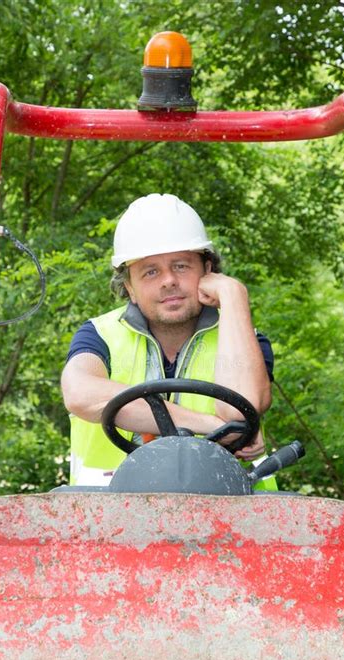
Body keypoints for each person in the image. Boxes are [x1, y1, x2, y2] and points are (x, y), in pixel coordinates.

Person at [61, 193, 274, 487]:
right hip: (106, 521)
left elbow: (239, 413)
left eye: (181, 265)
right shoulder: (99, 335)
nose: (168, 280)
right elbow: (80, 393)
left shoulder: (243, 338)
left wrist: (233, 295)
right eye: (150, 271)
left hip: (230, 523)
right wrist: (210, 426)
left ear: (207, 270)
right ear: (130, 288)